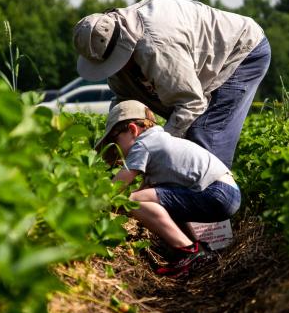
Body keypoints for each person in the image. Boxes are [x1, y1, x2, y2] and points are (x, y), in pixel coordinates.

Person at [74, 0, 270, 169]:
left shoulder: (156, 48)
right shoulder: (110, 49)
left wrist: (153, 150)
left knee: (203, 138)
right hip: (191, 66)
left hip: (240, 51)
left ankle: (212, 201)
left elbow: (191, 104)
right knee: (179, 138)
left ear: (122, 48)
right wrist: (114, 141)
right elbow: (124, 103)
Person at [98, 99, 241, 275]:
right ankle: (200, 250)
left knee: (132, 201)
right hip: (228, 192)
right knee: (154, 200)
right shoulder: (160, 142)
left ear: (133, 130)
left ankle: (188, 251)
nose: (117, 149)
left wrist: (94, 204)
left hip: (217, 193)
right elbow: (147, 195)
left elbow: (117, 187)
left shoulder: (143, 144)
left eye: (115, 140)